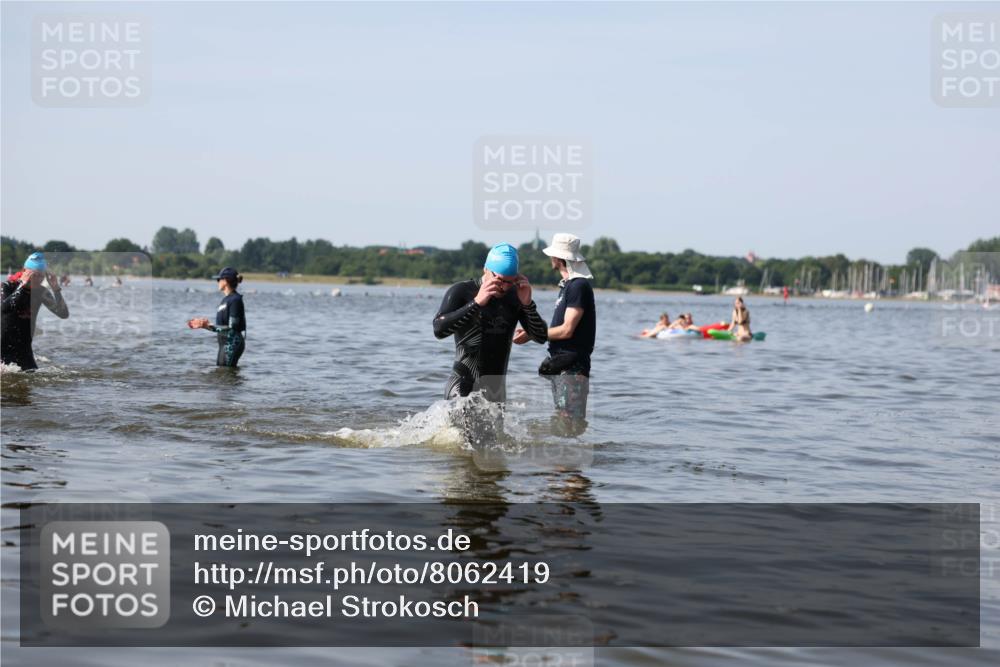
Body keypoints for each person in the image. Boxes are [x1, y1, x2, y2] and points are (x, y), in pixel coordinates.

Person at [434, 243, 547, 403]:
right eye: (500, 280)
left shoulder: (515, 297)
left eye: (511, 281)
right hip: (462, 390)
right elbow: (438, 330)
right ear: (486, 269)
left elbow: (541, 337)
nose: (505, 287)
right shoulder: (462, 292)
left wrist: (528, 305)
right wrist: (476, 303)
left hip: (496, 393)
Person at [517, 233, 595, 434]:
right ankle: (563, 464)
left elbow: (567, 329)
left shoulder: (579, 286)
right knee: (564, 424)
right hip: (563, 364)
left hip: (573, 366)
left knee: (569, 426)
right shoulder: (568, 286)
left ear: (558, 259)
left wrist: (533, 334)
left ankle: (566, 464)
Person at [1, 252, 70, 371]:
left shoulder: (41, 292)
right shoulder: (7, 286)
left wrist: (56, 289)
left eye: (41, 276)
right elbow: (4, 308)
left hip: (24, 348)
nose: (38, 279)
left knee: (31, 380)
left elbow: (63, 314)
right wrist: (22, 286)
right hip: (3, 346)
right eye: (35, 275)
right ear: (25, 272)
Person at [187, 267, 247, 367]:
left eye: (219, 279)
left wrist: (207, 325)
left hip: (232, 343)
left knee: (224, 375)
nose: (217, 282)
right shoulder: (226, 300)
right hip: (225, 343)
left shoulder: (235, 300)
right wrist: (206, 325)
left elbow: (232, 328)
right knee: (221, 374)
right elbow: (221, 328)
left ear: (226, 281)